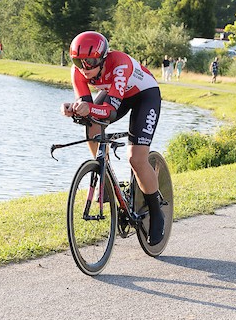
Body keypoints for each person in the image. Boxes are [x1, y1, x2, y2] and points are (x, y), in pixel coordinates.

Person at [60, 31, 164, 246]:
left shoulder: (119, 64)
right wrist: (75, 109)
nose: (85, 67)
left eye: (90, 61)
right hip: (119, 94)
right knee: (89, 122)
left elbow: (110, 112)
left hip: (145, 95)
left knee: (136, 158)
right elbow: (86, 105)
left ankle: (157, 212)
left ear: (103, 57)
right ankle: (104, 174)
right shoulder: (78, 72)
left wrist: (89, 108)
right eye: (79, 61)